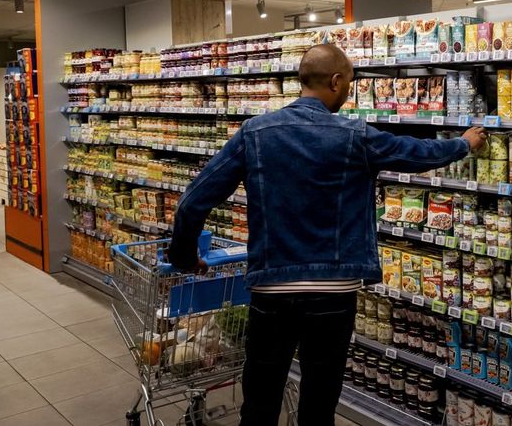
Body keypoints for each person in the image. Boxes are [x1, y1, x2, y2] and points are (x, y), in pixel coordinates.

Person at [167, 44, 486, 426]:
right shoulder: (356, 135)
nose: (349, 91)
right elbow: (417, 153)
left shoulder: (254, 132)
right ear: (336, 81)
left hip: (272, 289)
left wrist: (184, 256)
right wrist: (464, 143)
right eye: (349, 83)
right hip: (334, 291)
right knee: (319, 404)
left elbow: (192, 202)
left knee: (260, 403)